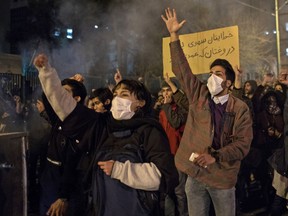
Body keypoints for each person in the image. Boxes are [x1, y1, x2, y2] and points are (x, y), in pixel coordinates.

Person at [33, 54, 179, 216]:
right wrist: (46, 72)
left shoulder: (149, 131)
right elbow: (66, 107)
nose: (117, 99)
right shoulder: (101, 124)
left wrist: (120, 170)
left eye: (124, 95)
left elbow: (163, 177)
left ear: (140, 102)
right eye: (115, 94)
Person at [161, 8, 253, 216]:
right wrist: (174, 36)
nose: (212, 77)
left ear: (228, 82)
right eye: (210, 73)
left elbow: (242, 145)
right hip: (195, 175)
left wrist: (216, 156)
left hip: (222, 178)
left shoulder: (240, 109)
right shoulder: (199, 96)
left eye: (218, 74)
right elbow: (182, 70)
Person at [39, 78, 88, 216]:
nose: (58, 94)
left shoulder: (82, 124)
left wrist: (63, 196)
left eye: (64, 92)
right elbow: (47, 95)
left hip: (66, 181)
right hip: (50, 175)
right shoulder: (58, 118)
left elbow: (72, 163)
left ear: (77, 98)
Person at [159, 74, 188, 216]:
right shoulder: (162, 110)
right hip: (166, 154)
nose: (165, 93)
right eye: (163, 90)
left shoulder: (182, 108)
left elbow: (176, 123)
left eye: (168, 89)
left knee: (180, 191)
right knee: (167, 190)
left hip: (178, 153)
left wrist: (167, 106)